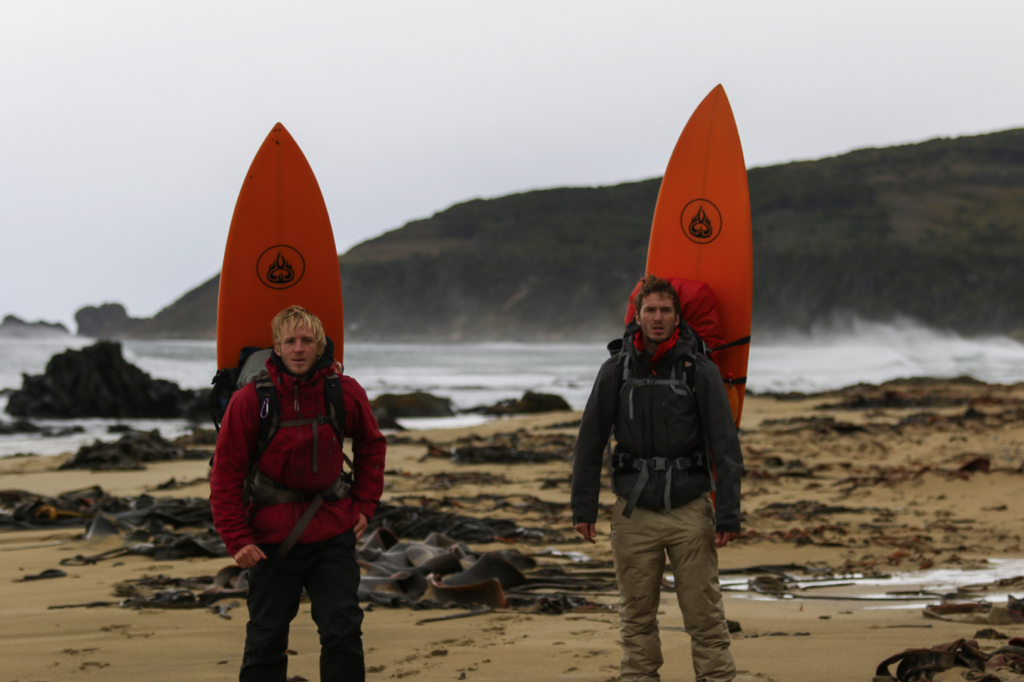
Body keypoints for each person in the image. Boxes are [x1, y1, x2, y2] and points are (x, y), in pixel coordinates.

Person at [571, 275, 743, 682]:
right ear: (638, 315)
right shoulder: (616, 370)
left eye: (666, 310)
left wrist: (728, 514)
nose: (658, 317)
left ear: (678, 317)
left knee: (705, 618)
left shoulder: (698, 369)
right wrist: (583, 508)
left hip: (690, 509)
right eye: (650, 309)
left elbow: (725, 445)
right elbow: (589, 442)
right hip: (633, 513)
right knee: (636, 618)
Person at [210, 305, 386, 682]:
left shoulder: (344, 392)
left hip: (332, 532)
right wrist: (235, 537)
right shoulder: (250, 401)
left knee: (342, 632)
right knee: (266, 638)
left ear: (321, 345)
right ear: (277, 346)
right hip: (270, 540)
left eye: (307, 340)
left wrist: (365, 505)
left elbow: (372, 446)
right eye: (290, 341)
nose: (299, 348)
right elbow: (225, 473)